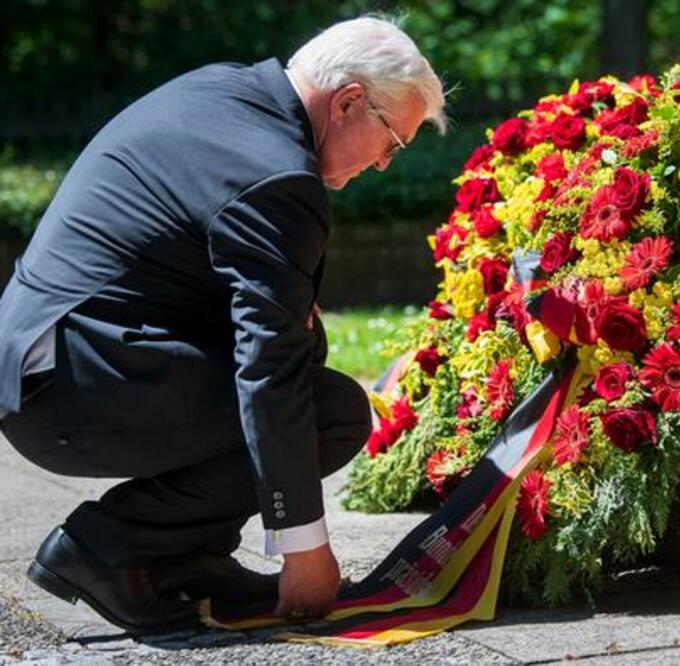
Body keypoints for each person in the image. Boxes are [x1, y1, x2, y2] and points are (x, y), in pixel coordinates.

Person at [0, 16, 446, 633]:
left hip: (54, 359)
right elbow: (269, 370)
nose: (383, 166)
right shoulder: (279, 175)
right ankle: (105, 548)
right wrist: (303, 543)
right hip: (70, 387)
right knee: (332, 413)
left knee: (304, 347)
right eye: (393, 142)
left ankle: (184, 557)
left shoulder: (227, 90)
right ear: (348, 103)